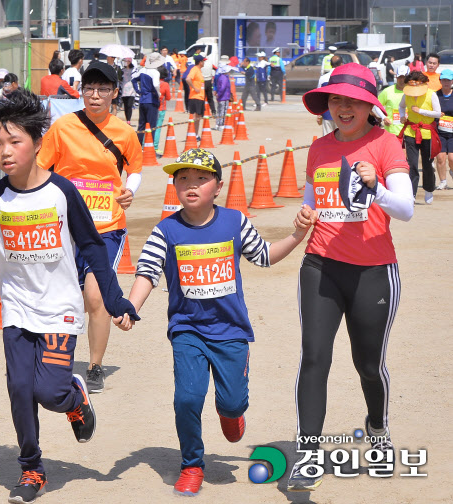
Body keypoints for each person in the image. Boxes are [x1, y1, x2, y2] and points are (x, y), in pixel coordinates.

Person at [0, 89, 139, 503]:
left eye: (15, 141)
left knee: (49, 392)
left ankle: (75, 397)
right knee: (20, 389)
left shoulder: (62, 192)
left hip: (58, 310)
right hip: (18, 310)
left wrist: (115, 300)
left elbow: (92, 248)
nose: (4, 152)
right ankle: (32, 468)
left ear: (38, 143)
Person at [115, 148, 315, 496]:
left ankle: (231, 411)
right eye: (183, 179)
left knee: (233, 403)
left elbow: (264, 256)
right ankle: (192, 464)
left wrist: (297, 236)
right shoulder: (165, 230)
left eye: (201, 179)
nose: (191, 185)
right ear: (175, 186)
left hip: (231, 331)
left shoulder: (234, 221)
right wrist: (131, 307)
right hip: (187, 331)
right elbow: (147, 271)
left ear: (218, 187)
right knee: (187, 399)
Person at [289, 62, 414, 492]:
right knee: (313, 358)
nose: (343, 108)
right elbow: (312, 198)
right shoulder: (319, 148)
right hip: (320, 264)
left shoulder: (386, 144)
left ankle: (378, 430)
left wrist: (375, 186)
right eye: (336, 99)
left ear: (368, 106)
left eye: (353, 101)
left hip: (374, 271)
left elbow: (406, 209)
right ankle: (308, 454)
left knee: (368, 365)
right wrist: (305, 214)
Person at [38, 61, 143, 393]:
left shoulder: (125, 132)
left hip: (107, 227)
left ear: (114, 93)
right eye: (88, 89)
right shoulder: (63, 127)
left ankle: (95, 366)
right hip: (64, 227)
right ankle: (58, 358)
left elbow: (136, 169)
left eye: (102, 90)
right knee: (62, 296)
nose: (94, 96)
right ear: (80, 91)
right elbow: (41, 168)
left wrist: (130, 191)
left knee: (95, 297)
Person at [398, 70, 441, 203]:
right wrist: (402, 116)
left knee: (428, 163)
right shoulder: (407, 94)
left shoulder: (431, 94)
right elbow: (401, 106)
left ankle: (428, 189)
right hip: (411, 131)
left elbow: (438, 114)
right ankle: (412, 194)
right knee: (412, 164)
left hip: (427, 132)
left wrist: (420, 111)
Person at [132, 52, 162, 145]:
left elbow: (133, 79)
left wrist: (138, 90)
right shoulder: (155, 72)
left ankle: (138, 145)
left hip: (143, 99)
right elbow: (156, 84)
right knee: (152, 125)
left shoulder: (142, 70)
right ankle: (150, 148)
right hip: (151, 99)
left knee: (141, 124)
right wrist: (159, 94)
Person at [378, 65, 409, 137]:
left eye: (404, 77)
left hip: (409, 132)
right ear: (396, 77)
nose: (401, 80)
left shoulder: (413, 92)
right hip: (391, 132)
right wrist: (384, 118)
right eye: (399, 77)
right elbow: (377, 105)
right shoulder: (387, 91)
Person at [435, 69, 453, 190]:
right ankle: (443, 181)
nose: (446, 82)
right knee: (441, 157)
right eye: (444, 80)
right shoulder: (435, 95)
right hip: (439, 131)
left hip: (452, 133)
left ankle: (451, 170)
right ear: (440, 80)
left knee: (452, 158)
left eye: (448, 80)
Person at [316, 55, 343, 137]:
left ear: (331, 64)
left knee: (327, 139)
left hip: (327, 113)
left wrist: (319, 113)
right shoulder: (344, 78)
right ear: (341, 64)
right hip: (342, 114)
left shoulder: (323, 78)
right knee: (341, 139)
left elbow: (319, 96)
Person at [186, 54, 207, 139]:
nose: (204, 62)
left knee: (198, 117)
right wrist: (194, 88)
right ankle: (192, 134)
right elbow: (188, 79)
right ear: (200, 62)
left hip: (200, 97)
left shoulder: (199, 70)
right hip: (195, 97)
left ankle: (196, 134)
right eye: (203, 61)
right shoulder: (194, 69)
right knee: (195, 117)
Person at [153, 65, 172, 154]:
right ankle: (155, 147)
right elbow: (168, 97)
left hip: (152, 107)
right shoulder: (165, 84)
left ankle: (145, 145)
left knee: (149, 128)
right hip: (161, 108)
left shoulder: (153, 83)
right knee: (158, 128)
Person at [214, 59, 232, 130]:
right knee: (223, 111)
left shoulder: (219, 76)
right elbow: (223, 87)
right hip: (224, 97)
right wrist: (219, 94)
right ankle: (221, 125)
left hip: (221, 96)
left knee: (219, 110)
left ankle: (217, 124)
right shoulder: (224, 78)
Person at [120, 58, 137, 126]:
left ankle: (129, 120)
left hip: (131, 88)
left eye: (126, 61)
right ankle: (127, 119)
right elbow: (120, 78)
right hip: (124, 88)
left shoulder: (134, 70)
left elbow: (136, 77)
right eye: (124, 61)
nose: (125, 62)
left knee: (129, 105)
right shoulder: (122, 70)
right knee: (126, 105)